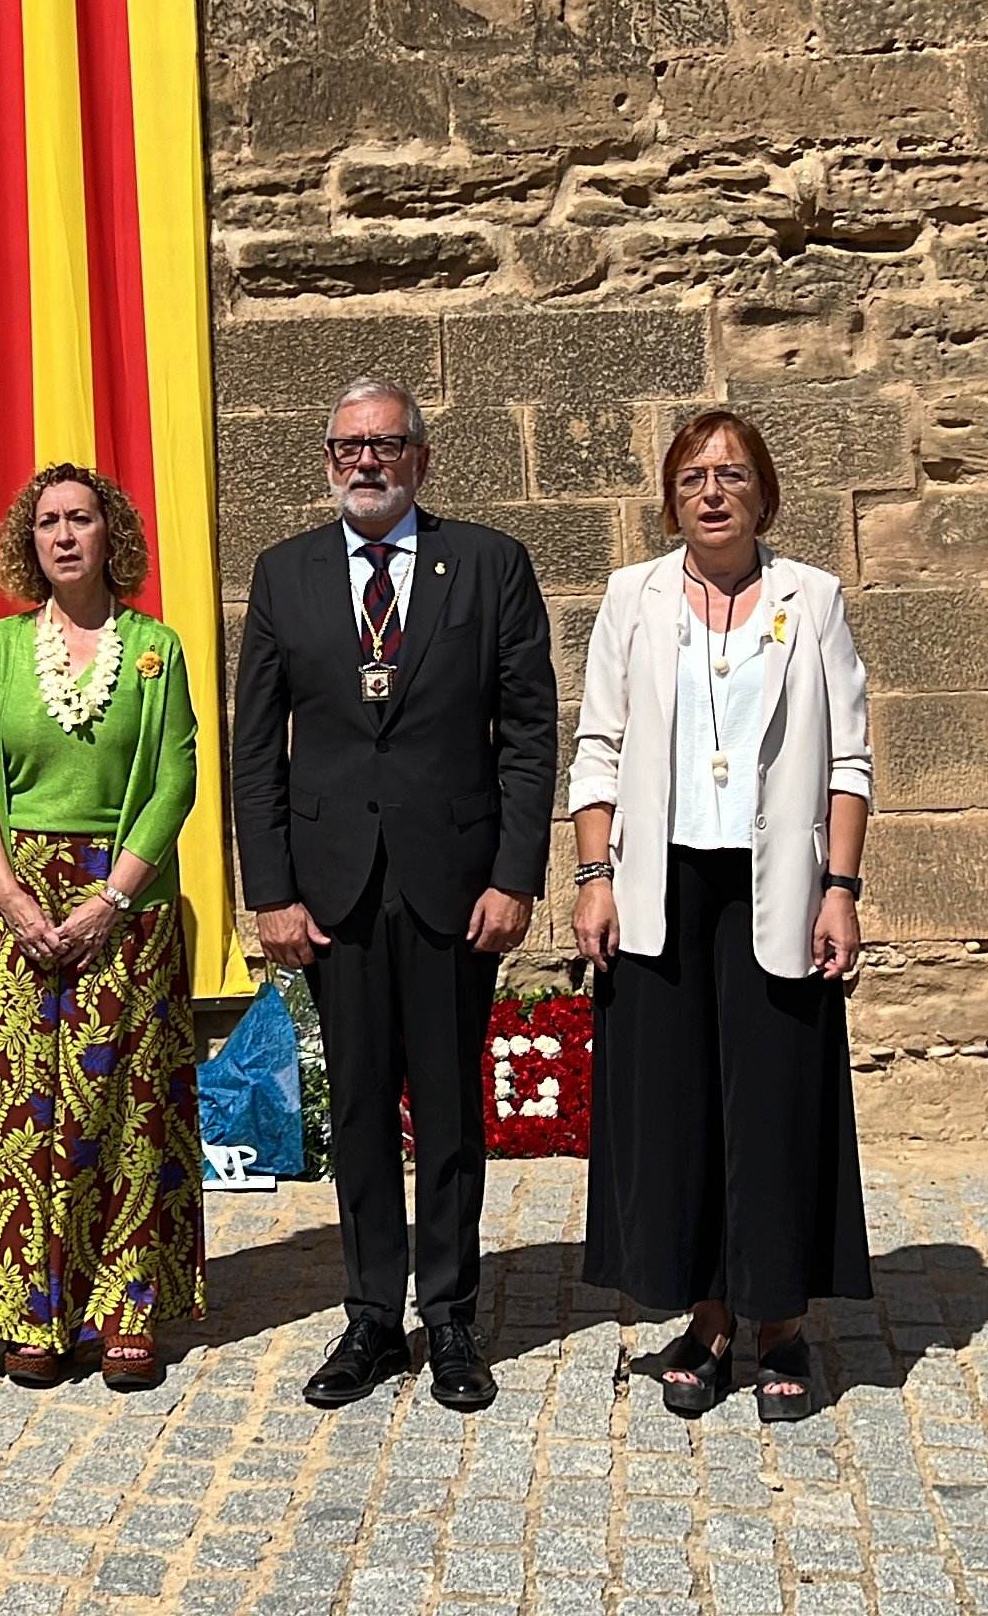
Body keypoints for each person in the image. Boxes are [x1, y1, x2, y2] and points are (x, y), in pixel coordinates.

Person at [233, 376, 555, 1412]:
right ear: (328, 462)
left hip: (453, 884)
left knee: (451, 1106)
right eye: (346, 449)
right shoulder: (284, 575)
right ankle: (371, 1317)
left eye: (383, 446)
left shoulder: (490, 565)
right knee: (362, 1105)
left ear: (419, 457)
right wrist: (271, 891)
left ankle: (451, 1316)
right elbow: (256, 753)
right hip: (333, 890)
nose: (364, 463)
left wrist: (514, 876)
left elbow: (527, 735)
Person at [567, 409, 874, 1424]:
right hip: (660, 888)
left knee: (775, 1106)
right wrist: (593, 876)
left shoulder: (813, 599)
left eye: (733, 475)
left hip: (775, 885)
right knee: (678, 1111)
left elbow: (846, 760)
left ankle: (779, 1320)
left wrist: (841, 888)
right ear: (669, 496)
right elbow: (599, 746)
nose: (712, 491)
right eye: (694, 475)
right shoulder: (633, 598)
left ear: (763, 494)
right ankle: (705, 1319)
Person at [0, 464, 204, 1390]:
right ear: (28, 543)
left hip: (123, 898)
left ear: (115, 537)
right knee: (9, 1113)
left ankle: (126, 1309)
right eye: (47, 523)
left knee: (122, 1104)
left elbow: (174, 782)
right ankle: (27, 1308)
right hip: (8, 898)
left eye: (81, 519)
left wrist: (108, 900)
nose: (64, 536)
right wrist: (16, 899)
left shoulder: (157, 648)